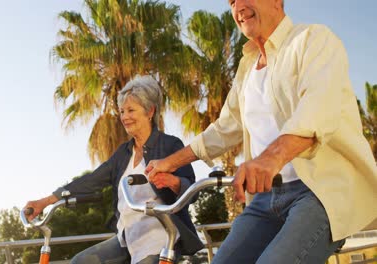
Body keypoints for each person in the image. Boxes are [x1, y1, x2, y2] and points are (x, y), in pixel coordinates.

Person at [146, 0, 377, 263]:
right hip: (266, 198)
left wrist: (270, 159)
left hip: (318, 192)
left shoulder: (312, 39)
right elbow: (223, 129)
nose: (238, 6)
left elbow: (317, 106)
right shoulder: (247, 68)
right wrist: (169, 162)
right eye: (232, 1)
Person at [24, 75, 203, 264]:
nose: (125, 117)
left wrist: (173, 183)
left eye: (131, 110)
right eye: (122, 111)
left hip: (160, 237)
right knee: (80, 262)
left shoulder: (169, 145)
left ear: (150, 111)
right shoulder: (124, 153)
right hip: (127, 236)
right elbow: (92, 180)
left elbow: (191, 190)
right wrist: (45, 201)